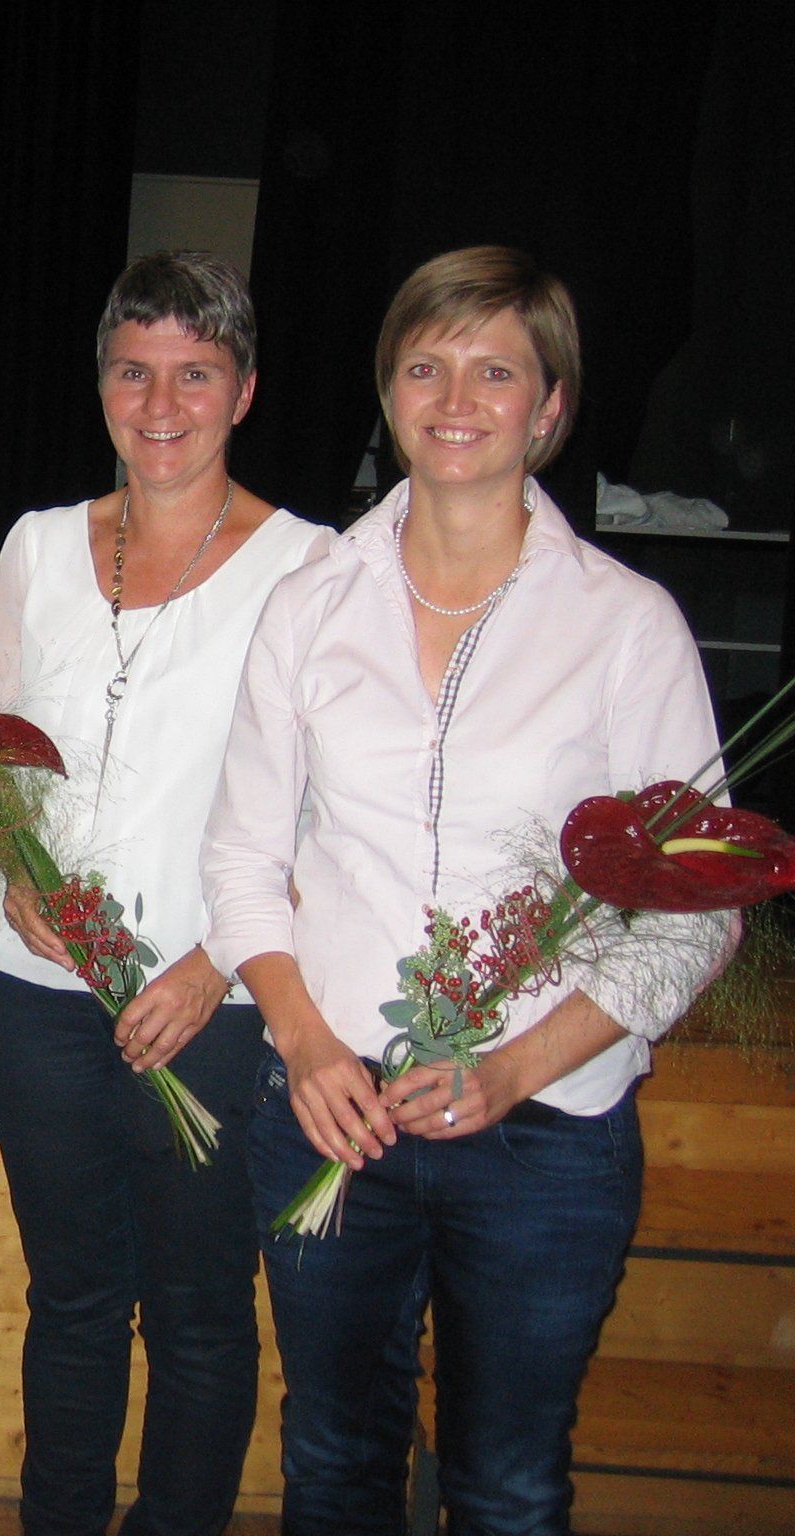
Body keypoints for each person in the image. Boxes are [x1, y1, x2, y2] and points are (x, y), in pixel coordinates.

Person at [202, 246, 731, 1533]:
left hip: (545, 1136)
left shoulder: (625, 626)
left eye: (495, 372)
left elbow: (696, 906)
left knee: (504, 1484)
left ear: (548, 408)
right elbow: (239, 857)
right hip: (332, 1111)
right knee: (331, 1467)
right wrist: (303, 1043)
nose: (454, 399)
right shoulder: (308, 603)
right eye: (424, 366)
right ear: (387, 392)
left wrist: (511, 1070)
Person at [0, 251, 330, 1536]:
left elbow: (330, 813)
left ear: (243, 391)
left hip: (209, 1006)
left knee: (198, 1312)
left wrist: (215, 965)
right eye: (132, 371)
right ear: (100, 383)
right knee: (69, 1297)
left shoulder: (313, 566)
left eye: (193, 374)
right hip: (28, 995)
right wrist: (11, 869)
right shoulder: (37, 544)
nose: (158, 404)